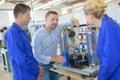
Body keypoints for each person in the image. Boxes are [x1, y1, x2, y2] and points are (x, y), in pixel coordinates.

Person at [32, 11, 79, 80]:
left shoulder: (56, 28)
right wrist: (54, 59)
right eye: (53, 19)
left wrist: (73, 20)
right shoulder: (37, 35)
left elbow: (67, 23)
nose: (55, 22)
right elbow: (37, 55)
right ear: (46, 20)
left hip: (54, 64)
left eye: (57, 20)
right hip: (43, 66)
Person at [4, 3, 44, 80]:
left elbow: (29, 54)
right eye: (28, 15)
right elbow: (21, 59)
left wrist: (38, 67)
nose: (30, 18)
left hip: (31, 74)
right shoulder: (13, 33)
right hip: (24, 76)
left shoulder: (21, 32)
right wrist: (37, 70)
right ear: (20, 15)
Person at [83, 0, 120, 80]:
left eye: (85, 16)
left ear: (90, 15)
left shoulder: (109, 28)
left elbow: (110, 61)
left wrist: (101, 78)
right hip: (110, 74)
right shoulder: (103, 26)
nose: (85, 19)